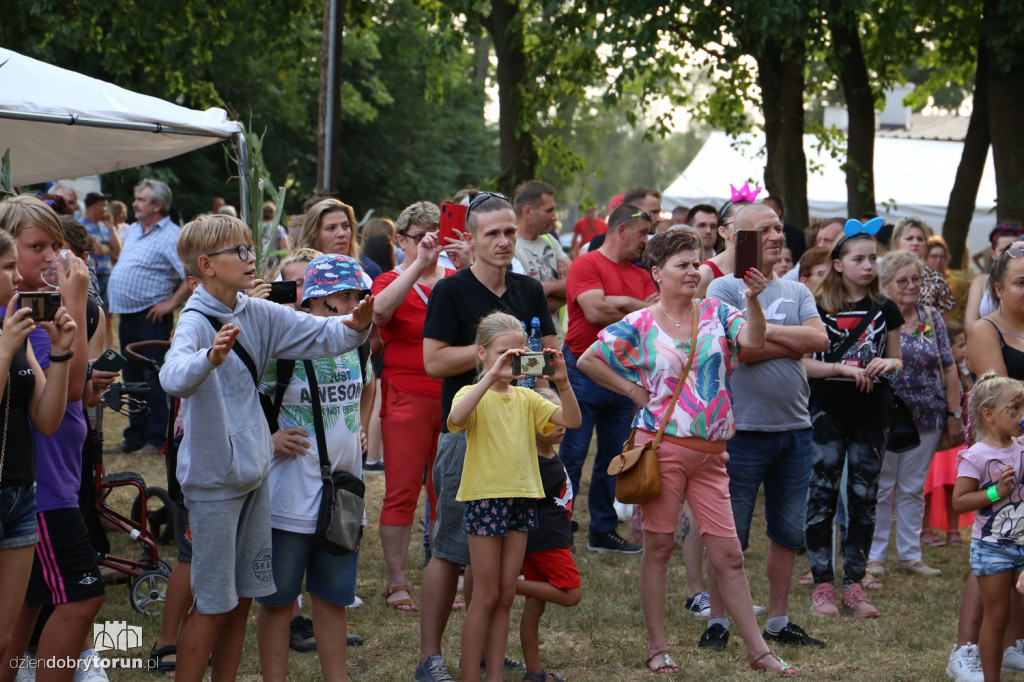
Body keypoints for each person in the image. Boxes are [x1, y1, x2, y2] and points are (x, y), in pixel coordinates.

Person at [158, 214, 373, 682]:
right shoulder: (195, 319)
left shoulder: (252, 310)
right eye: (239, 251)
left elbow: (323, 334)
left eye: (250, 247)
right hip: (215, 483)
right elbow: (172, 376)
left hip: (255, 476)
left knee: (241, 602)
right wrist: (208, 358)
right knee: (213, 605)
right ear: (206, 265)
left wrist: (358, 323)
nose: (252, 257)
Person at [577, 228, 794, 675]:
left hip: (713, 453)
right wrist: (635, 393)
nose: (694, 271)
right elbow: (588, 359)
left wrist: (753, 299)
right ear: (657, 273)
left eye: (697, 263)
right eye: (683, 264)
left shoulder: (718, 310)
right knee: (658, 549)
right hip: (662, 449)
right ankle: (657, 649)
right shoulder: (639, 323)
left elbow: (753, 343)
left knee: (729, 554)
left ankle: (759, 652)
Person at [416, 191, 555, 682]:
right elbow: (433, 363)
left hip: (518, 429)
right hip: (466, 430)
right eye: (492, 233)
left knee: (493, 558)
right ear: (470, 240)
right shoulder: (450, 292)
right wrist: (490, 359)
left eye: (509, 232)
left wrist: (533, 376)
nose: (503, 241)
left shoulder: (529, 290)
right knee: (450, 547)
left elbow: (548, 356)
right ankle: (430, 656)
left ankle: (480, 650)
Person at [704, 204, 828, 650]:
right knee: (728, 532)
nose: (777, 235)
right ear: (737, 238)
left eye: (779, 227)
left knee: (787, 531)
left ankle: (778, 620)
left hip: (795, 429)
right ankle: (718, 622)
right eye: (765, 230)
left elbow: (819, 341)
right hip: (741, 431)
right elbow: (741, 350)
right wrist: (788, 342)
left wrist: (768, 336)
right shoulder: (722, 287)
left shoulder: (796, 291)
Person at [256, 254, 374, 682]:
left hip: (342, 497)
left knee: (333, 597)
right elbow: (242, 398)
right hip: (288, 497)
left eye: (360, 295)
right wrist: (267, 439)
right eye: (348, 296)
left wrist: (361, 428)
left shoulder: (356, 344)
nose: (358, 304)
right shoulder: (284, 345)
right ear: (321, 301)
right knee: (278, 600)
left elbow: (367, 384)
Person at [448, 312, 580, 682]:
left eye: (517, 353)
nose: (510, 359)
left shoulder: (527, 398)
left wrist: (563, 383)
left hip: (523, 498)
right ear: (482, 354)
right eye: (502, 353)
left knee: (506, 595)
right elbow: (457, 417)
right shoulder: (470, 393)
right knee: (485, 595)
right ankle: (471, 675)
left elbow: (572, 422)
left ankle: (495, 676)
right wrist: (492, 375)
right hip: (487, 499)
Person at [802, 220, 903, 619]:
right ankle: (823, 584)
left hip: (873, 414)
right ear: (839, 264)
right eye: (858, 259)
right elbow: (805, 364)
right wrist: (842, 370)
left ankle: (855, 585)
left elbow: (899, 362)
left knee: (864, 500)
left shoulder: (886, 308)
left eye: (873, 258)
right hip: (826, 412)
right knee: (822, 497)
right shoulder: (816, 307)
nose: (868, 266)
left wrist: (888, 363)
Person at [0, 217, 76, 680]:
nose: (16, 279)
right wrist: (5, 349)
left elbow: (46, 419)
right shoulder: (10, 334)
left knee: (6, 638)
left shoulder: (16, 327)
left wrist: (63, 351)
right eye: (8, 267)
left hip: (20, 494)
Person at [560, 203, 658, 554]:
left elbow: (653, 317)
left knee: (614, 457)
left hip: (623, 375)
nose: (646, 241)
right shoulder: (586, 264)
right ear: (621, 231)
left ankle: (602, 530)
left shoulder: (642, 272)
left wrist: (619, 303)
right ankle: (560, 531)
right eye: (643, 233)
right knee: (572, 455)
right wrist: (635, 304)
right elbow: (594, 309)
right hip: (584, 370)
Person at [371, 202, 452, 613]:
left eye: (436, 235)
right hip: (406, 395)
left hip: (453, 395)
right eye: (420, 236)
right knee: (402, 490)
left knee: (446, 492)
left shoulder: (457, 278)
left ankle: (441, 576)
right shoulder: (389, 279)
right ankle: (397, 581)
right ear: (400, 240)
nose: (430, 243)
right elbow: (380, 313)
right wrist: (417, 266)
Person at [866, 250, 962, 585]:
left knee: (911, 487)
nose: (911, 286)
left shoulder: (931, 316)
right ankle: (875, 556)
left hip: (928, 415)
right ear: (886, 283)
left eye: (916, 279)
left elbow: (948, 368)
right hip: (886, 415)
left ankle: (910, 555)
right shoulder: (877, 314)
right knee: (882, 487)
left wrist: (954, 412)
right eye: (903, 280)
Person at [107, 179, 190, 455]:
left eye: (141, 200)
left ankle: (156, 439)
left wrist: (171, 303)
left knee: (153, 378)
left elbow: (190, 275)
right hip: (129, 316)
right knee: (131, 377)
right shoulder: (132, 229)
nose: (135, 204)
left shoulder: (172, 235)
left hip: (151, 317)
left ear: (157, 205)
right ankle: (135, 437)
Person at [952, 374, 1024, 682]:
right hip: (993, 548)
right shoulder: (977, 455)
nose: (1022, 416)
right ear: (989, 415)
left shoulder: (1021, 446)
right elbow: (960, 501)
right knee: (997, 617)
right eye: (1015, 409)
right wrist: (996, 492)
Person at [516, 387, 581, 682]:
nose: (561, 425)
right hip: (547, 543)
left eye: (561, 418)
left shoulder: (548, 454)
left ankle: (534, 672)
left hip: (546, 539)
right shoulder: (534, 464)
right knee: (571, 594)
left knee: (534, 608)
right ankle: (507, 585)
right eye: (550, 419)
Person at [513, 181, 570, 336]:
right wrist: (564, 292)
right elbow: (523, 302)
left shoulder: (550, 240)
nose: (554, 217)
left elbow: (577, 282)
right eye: (549, 211)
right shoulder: (509, 247)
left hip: (557, 343)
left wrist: (545, 288)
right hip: (530, 346)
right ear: (528, 211)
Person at [296, 198, 383, 281]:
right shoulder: (297, 275)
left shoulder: (365, 275)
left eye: (345, 226)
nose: (341, 233)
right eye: (331, 228)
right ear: (313, 234)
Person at [891, 217, 955, 320]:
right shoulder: (884, 275)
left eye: (920, 239)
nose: (916, 243)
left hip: (926, 333)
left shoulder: (937, 278)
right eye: (909, 238)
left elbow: (946, 322)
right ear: (896, 242)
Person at [964, 225, 1024, 329]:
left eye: (1013, 250)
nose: (1008, 254)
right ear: (993, 253)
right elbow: (970, 323)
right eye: (1003, 250)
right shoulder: (981, 281)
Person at [695, 200, 749, 297]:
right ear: (722, 231)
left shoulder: (763, 269)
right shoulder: (706, 273)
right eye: (740, 221)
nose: (749, 227)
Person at [79, 192, 120, 308]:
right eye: (104, 206)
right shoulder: (82, 226)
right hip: (94, 279)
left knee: (107, 316)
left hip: (107, 277)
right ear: (94, 207)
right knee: (95, 315)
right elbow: (98, 250)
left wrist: (111, 228)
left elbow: (118, 249)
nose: (106, 210)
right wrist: (108, 247)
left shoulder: (103, 226)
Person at [784, 218, 846, 282]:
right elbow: (787, 280)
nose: (820, 245)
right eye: (819, 240)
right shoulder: (811, 259)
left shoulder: (851, 261)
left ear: (843, 241)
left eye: (827, 240)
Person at [762, 195, 806, 263]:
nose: (761, 213)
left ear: (778, 213)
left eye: (765, 210)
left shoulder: (797, 235)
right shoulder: (757, 232)